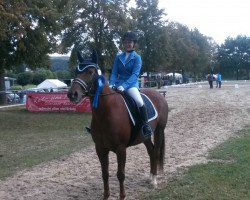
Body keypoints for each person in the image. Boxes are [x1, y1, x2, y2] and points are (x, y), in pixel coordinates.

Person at [109, 31, 152, 138]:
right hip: (117, 83)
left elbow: (135, 75)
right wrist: (111, 84)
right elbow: (114, 72)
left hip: (131, 84)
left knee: (138, 101)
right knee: (105, 99)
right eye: (126, 42)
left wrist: (124, 86)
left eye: (130, 42)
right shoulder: (118, 57)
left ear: (134, 43)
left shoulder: (137, 58)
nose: (128, 44)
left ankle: (145, 126)